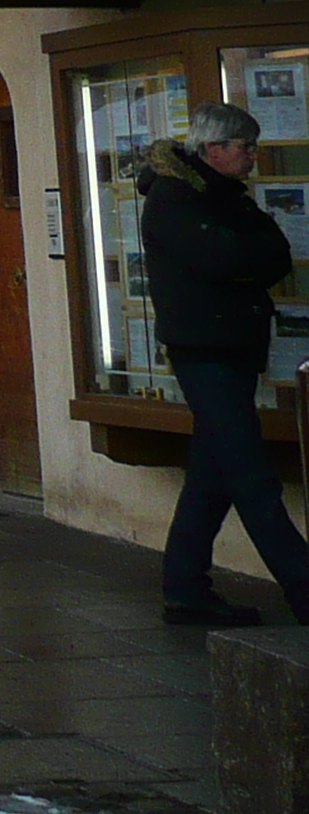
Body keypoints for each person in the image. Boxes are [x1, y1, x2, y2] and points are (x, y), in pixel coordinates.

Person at [142, 102, 309, 626]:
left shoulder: (225, 197)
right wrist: (244, 261)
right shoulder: (174, 199)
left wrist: (244, 260)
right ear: (214, 149)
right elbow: (227, 260)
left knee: (211, 478)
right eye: (245, 147)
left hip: (233, 349)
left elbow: (276, 255)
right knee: (251, 478)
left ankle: (185, 589)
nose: (253, 156)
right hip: (204, 352)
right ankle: (304, 588)